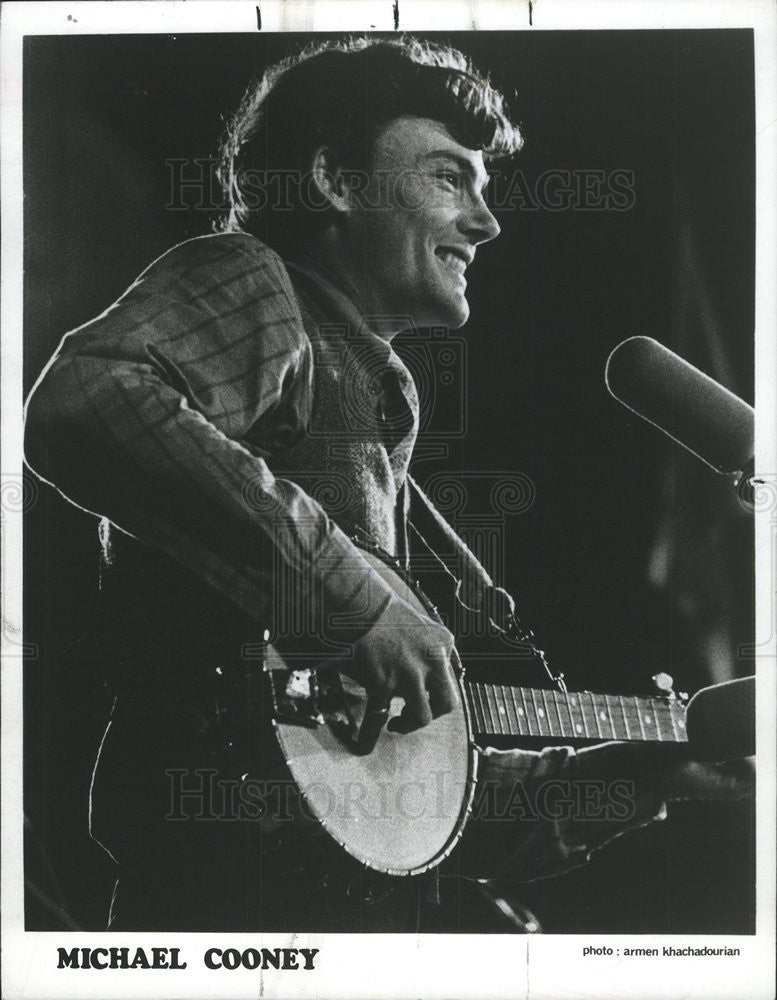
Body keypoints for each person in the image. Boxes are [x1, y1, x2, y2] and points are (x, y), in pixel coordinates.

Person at [23, 36, 753, 932]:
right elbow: (89, 400)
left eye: (482, 188)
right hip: (225, 908)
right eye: (449, 178)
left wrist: (639, 774)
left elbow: (396, 810)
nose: (486, 222)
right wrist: (351, 596)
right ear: (334, 179)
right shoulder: (257, 280)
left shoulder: (368, 403)